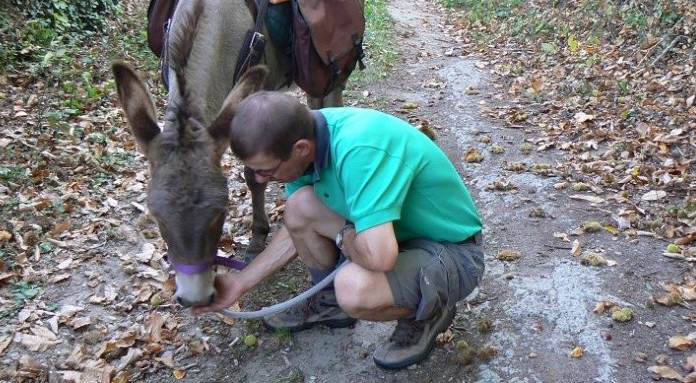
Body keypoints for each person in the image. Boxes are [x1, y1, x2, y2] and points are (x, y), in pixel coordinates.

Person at [192, 91, 484, 370]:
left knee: (352, 287)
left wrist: (342, 235)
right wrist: (241, 282)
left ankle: (429, 312)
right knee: (299, 205)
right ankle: (329, 304)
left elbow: (380, 258)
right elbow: (298, 223)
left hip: (452, 253)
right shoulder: (304, 135)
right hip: (394, 239)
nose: (260, 179)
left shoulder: (359, 148)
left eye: (266, 171)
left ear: (301, 148)